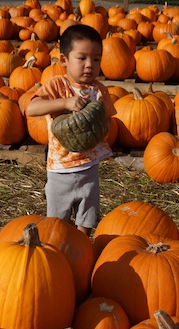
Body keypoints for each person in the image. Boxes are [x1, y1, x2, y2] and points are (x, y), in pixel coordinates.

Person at [26, 24, 116, 236]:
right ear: (64, 60)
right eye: (82, 58)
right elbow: (32, 108)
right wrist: (65, 103)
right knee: (57, 221)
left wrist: (99, 120)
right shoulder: (57, 85)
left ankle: (82, 246)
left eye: (96, 59)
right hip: (60, 169)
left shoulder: (99, 89)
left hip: (89, 167)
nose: (89, 65)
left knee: (88, 216)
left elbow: (108, 121)